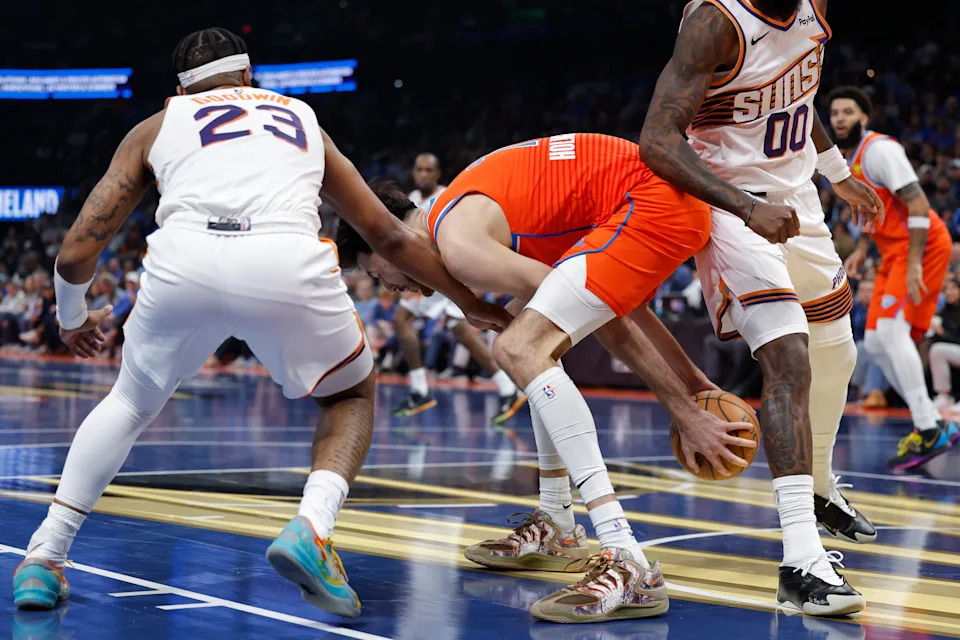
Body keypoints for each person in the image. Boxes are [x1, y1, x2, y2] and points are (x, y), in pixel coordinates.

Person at [11, 27, 506, 618]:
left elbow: (73, 254)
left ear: (179, 90)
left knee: (129, 403)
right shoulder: (301, 117)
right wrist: (465, 299)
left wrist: (72, 319)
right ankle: (312, 527)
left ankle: (44, 557)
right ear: (249, 77)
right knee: (349, 394)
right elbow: (387, 234)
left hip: (184, 263)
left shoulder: (156, 126)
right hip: (285, 260)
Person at [338, 134, 759, 623]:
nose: (392, 288)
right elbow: (618, 301)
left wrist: (685, 409)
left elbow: (610, 318)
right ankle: (558, 521)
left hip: (656, 200)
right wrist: (695, 383)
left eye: (382, 274)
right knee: (525, 328)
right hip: (660, 197)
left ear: (386, 239)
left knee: (518, 345)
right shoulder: (457, 213)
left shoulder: (459, 246)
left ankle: (627, 558)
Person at [638, 0, 883, 615]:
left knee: (837, 351)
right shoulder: (715, 23)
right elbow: (657, 141)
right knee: (789, 360)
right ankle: (801, 560)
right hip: (731, 204)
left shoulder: (812, 8)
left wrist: (837, 172)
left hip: (797, 193)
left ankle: (822, 486)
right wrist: (747, 209)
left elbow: (796, 100)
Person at [831, 85, 960, 469]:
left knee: (891, 333)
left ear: (864, 118)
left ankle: (928, 426)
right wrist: (862, 250)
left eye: (848, 112)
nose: (840, 118)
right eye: (835, 113)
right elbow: (877, 211)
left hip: (922, 246)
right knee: (874, 340)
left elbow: (918, 204)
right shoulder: (847, 159)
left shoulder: (880, 151)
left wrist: (916, 262)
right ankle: (932, 422)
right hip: (893, 251)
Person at [390, 289, 524, 423]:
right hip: (439, 279)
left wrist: (416, 285)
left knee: (402, 319)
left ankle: (420, 390)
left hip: (429, 280)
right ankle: (507, 387)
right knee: (459, 328)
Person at [930, 278, 960, 411]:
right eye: (946, 289)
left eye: (953, 289)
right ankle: (943, 396)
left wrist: (942, 333)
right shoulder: (943, 312)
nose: (949, 292)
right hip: (953, 351)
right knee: (936, 350)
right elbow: (938, 340)